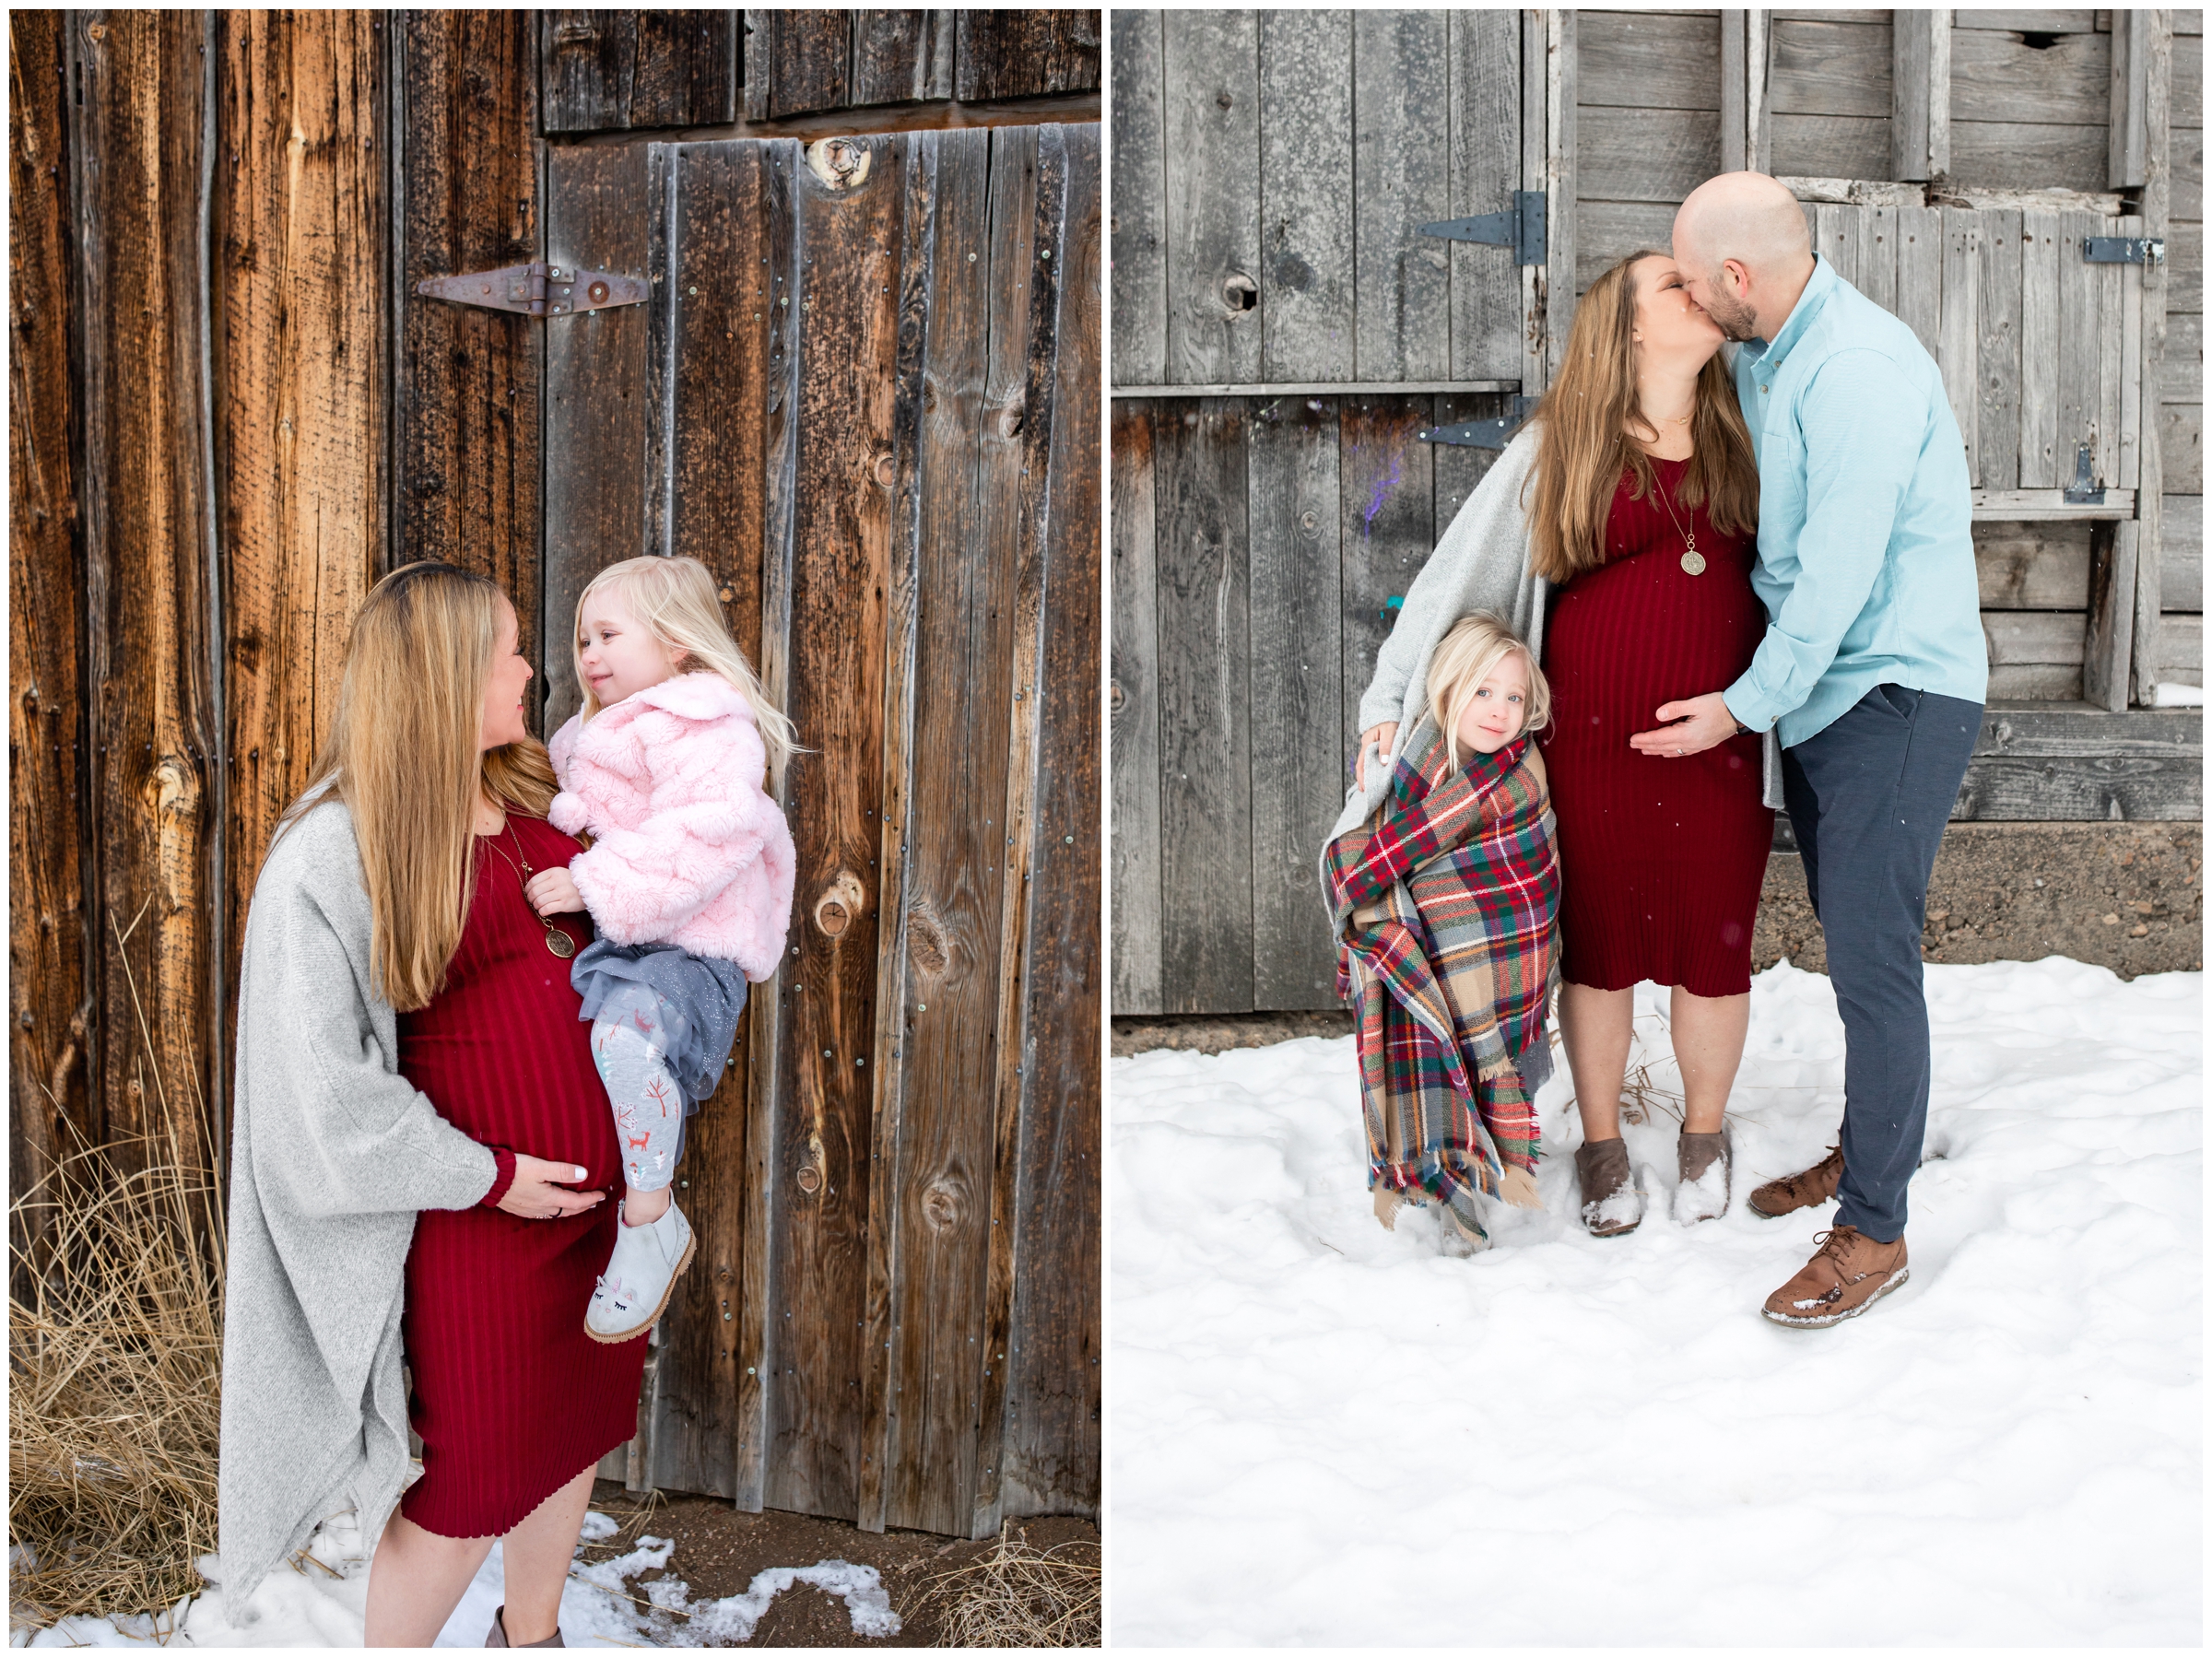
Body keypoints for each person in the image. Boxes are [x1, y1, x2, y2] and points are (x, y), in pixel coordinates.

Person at [220, 561, 641, 1648]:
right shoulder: (335, 850)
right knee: (463, 1491)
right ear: (447, 675)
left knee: (569, 1434)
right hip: (474, 1228)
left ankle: (532, 1635)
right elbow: (324, 1094)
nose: (533, 667)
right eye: (509, 648)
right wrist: (494, 1176)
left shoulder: (540, 794)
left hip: (594, 1216)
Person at [1344, 249, 1776, 1240]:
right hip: (1588, 754)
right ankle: (1603, 1146)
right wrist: (1393, 695)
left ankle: (1704, 1135)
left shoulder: (1743, 427)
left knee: (1718, 947)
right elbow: (1461, 574)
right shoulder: (1563, 445)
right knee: (1603, 951)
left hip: (1723, 743)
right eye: (1674, 283)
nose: (1700, 288)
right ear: (1625, 325)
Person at [1664, 170, 1988, 1327]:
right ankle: (1865, 1156)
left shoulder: (1851, 374)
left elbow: (1839, 580)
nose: (1697, 309)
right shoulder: (1774, 349)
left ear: (1741, 278)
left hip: (1892, 693)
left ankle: (1877, 1231)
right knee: (1861, 948)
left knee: (1872, 960)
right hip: (1831, 696)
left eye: (1701, 290)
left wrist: (1742, 707)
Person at [533, 555, 797, 1342]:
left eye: (609, 634)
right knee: (595, 1054)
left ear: (678, 643)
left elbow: (706, 836)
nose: (589, 655)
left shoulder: (705, 727)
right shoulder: (589, 731)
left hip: (694, 953)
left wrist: (593, 882)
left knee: (624, 1041)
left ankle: (650, 1220)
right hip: (638, 945)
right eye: (583, 638)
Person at [1323, 613, 1559, 1250]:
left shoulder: (1522, 777)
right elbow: (1383, 849)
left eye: (1514, 697)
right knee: (1423, 1020)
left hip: (1503, 954)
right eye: (1482, 691)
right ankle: (1444, 1171)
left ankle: (1487, 1149)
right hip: (1426, 953)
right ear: (1449, 689)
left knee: (1505, 1058)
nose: (1499, 711)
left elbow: (1524, 878)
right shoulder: (1412, 761)